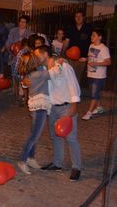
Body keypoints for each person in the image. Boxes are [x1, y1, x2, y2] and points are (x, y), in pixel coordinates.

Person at [35, 46, 83, 180]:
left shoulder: (64, 67)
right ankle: (57, 163)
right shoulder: (46, 70)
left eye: (38, 55)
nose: (36, 58)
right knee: (55, 136)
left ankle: (76, 167)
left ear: (45, 54)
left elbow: (73, 85)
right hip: (54, 108)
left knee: (71, 138)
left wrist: (74, 105)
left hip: (66, 106)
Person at [16, 52, 50, 175]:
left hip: (36, 105)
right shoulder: (38, 74)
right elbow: (54, 73)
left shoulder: (34, 73)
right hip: (39, 107)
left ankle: (31, 158)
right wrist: (60, 63)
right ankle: (22, 160)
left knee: (34, 133)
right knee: (34, 136)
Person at [82, 29, 111, 120]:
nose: (91, 37)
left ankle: (89, 112)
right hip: (90, 74)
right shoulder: (91, 46)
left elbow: (109, 62)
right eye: (91, 35)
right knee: (94, 93)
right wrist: (85, 59)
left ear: (100, 37)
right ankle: (99, 108)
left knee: (94, 95)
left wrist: (96, 64)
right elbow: (91, 57)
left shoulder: (104, 48)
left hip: (99, 76)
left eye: (93, 35)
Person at [65, 11, 93, 86]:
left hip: (82, 58)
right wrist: (63, 54)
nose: (78, 18)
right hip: (70, 57)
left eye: (80, 16)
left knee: (77, 76)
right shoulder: (70, 27)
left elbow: (92, 43)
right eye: (76, 16)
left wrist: (88, 57)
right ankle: (69, 94)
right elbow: (66, 42)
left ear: (83, 17)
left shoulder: (89, 28)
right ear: (74, 18)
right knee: (69, 76)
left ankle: (76, 95)